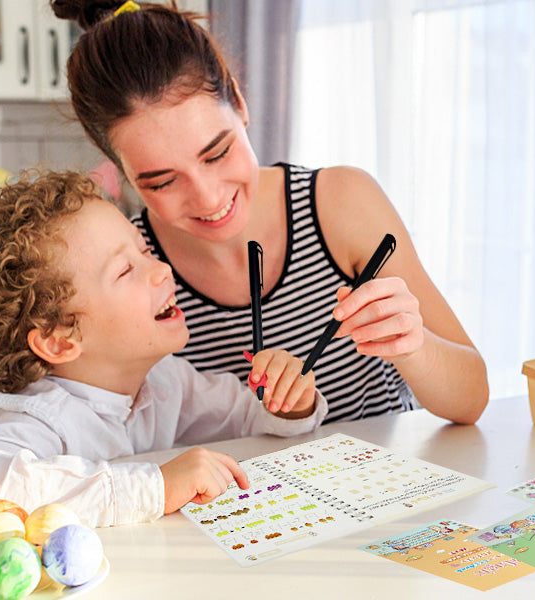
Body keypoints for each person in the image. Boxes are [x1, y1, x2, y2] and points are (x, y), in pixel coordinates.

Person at [50, 0, 489, 425]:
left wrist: (413, 347)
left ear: (239, 103)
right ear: (122, 171)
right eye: (162, 182)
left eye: (217, 153)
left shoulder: (341, 203)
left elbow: (471, 400)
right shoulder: (127, 270)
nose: (206, 198)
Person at [0, 170, 326, 530]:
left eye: (145, 251)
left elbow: (247, 421)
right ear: (60, 339)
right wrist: (156, 486)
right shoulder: (43, 418)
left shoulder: (168, 381)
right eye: (125, 270)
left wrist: (286, 403)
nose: (162, 270)